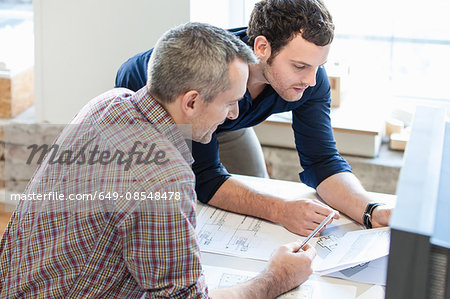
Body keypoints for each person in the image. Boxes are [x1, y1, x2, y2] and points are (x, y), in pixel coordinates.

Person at [0, 23, 316, 298]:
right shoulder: (164, 178)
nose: (234, 114)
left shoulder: (108, 103)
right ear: (191, 102)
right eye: (230, 102)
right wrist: (277, 277)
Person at [115, 0, 392, 236]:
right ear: (262, 47)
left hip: (227, 117)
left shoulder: (310, 80)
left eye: (318, 66)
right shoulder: (213, 76)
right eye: (299, 66)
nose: (311, 79)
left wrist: (371, 211)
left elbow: (323, 161)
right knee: (176, 206)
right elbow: (206, 178)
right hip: (170, 112)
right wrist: (279, 209)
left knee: (256, 186)